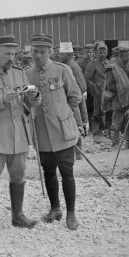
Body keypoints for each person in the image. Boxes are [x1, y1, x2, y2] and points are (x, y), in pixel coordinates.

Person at [0, 34, 42, 235]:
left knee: (18, 176)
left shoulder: (19, 73)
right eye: (7, 53)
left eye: (13, 53)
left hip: (18, 132)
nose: (12, 57)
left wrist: (35, 96)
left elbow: (30, 102)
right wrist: (2, 99)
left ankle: (17, 215)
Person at [25, 35, 83, 230]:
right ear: (31, 52)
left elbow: (75, 96)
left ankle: (71, 213)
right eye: (35, 51)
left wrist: (65, 113)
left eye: (42, 52)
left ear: (50, 52)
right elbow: (25, 103)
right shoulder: (26, 74)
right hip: (41, 131)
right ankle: (55, 208)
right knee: (48, 171)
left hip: (62, 130)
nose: (38, 55)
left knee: (67, 172)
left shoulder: (61, 70)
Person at [58, 42, 89, 158]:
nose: (59, 56)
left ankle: (78, 153)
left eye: (62, 54)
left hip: (73, 103)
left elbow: (83, 86)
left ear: (68, 55)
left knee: (76, 126)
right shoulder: (62, 66)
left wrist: (71, 94)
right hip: (66, 102)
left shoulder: (74, 67)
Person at [103, 45, 129, 149]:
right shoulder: (112, 68)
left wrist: (128, 88)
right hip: (118, 99)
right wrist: (122, 86)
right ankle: (115, 143)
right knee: (116, 123)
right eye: (128, 55)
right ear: (121, 56)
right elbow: (109, 85)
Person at [84, 42, 108, 142]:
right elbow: (87, 78)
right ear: (97, 53)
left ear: (107, 52)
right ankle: (96, 132)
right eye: (100, 52)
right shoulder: (92, 64)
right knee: (97, 112)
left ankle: (106, 130)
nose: (102, 54)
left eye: (104, 52)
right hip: (98, 92)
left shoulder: (109, 63)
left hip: (108, 93)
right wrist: (94, 87)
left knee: (107, 112)